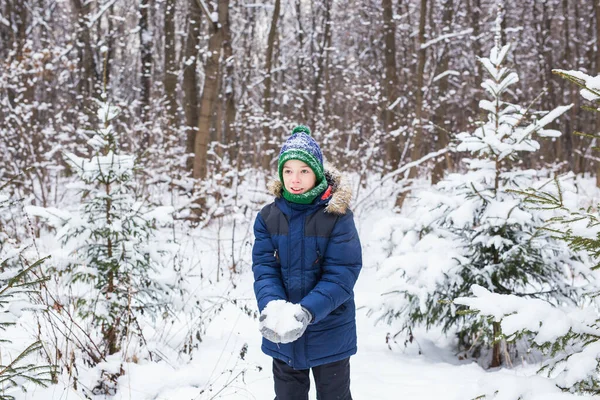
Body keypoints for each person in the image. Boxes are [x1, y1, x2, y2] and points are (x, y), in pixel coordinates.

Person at [252, 125, 362, 400]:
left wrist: (307, 312)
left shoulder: (337, 216)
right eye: (288, 170)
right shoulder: (268, 217)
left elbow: (342, 274)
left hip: (330, 329)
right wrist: (273, 308)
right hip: (283, 331)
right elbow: (264, 270)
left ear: (316, 172)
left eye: (303, 170)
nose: (295, 178)